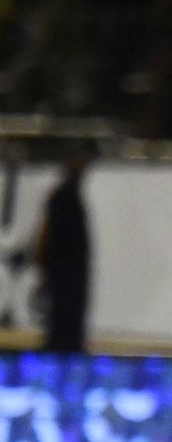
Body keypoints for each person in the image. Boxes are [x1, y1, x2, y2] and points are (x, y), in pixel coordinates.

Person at [36, 143, 94, 354]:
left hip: (67, 271)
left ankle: (63, 345)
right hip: (63, 270)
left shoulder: (68, 195)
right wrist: (44, 261)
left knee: (66, 317)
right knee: (62, 315)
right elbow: (49, 234)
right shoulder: (63, 196)